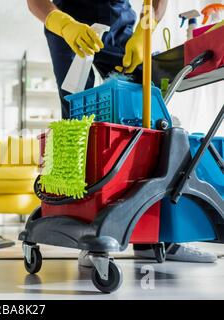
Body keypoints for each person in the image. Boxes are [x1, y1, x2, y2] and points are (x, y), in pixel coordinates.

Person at [27, 0, 217, 263]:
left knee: (148, 119)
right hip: (67, 26)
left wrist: (146, 26)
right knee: (79, 124)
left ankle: (157, 237)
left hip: (120, 25)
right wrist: (60, 23)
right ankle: (91, 236)